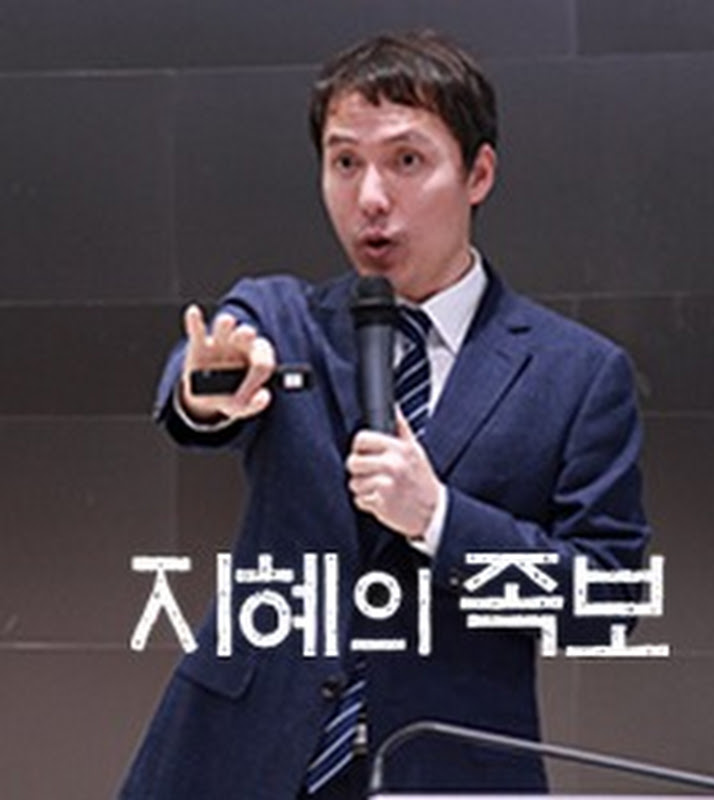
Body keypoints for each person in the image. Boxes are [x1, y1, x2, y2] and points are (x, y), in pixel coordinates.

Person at [120, 30, 650, 799]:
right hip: (238, 758)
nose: (370, 197)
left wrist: (439, 520)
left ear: (478, 173)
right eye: (345, 163)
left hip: (447, 767)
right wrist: (204, 392)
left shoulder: (576, 373)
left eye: (406, 160)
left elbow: (607, 601)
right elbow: (202, 375)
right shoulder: (281, 317)